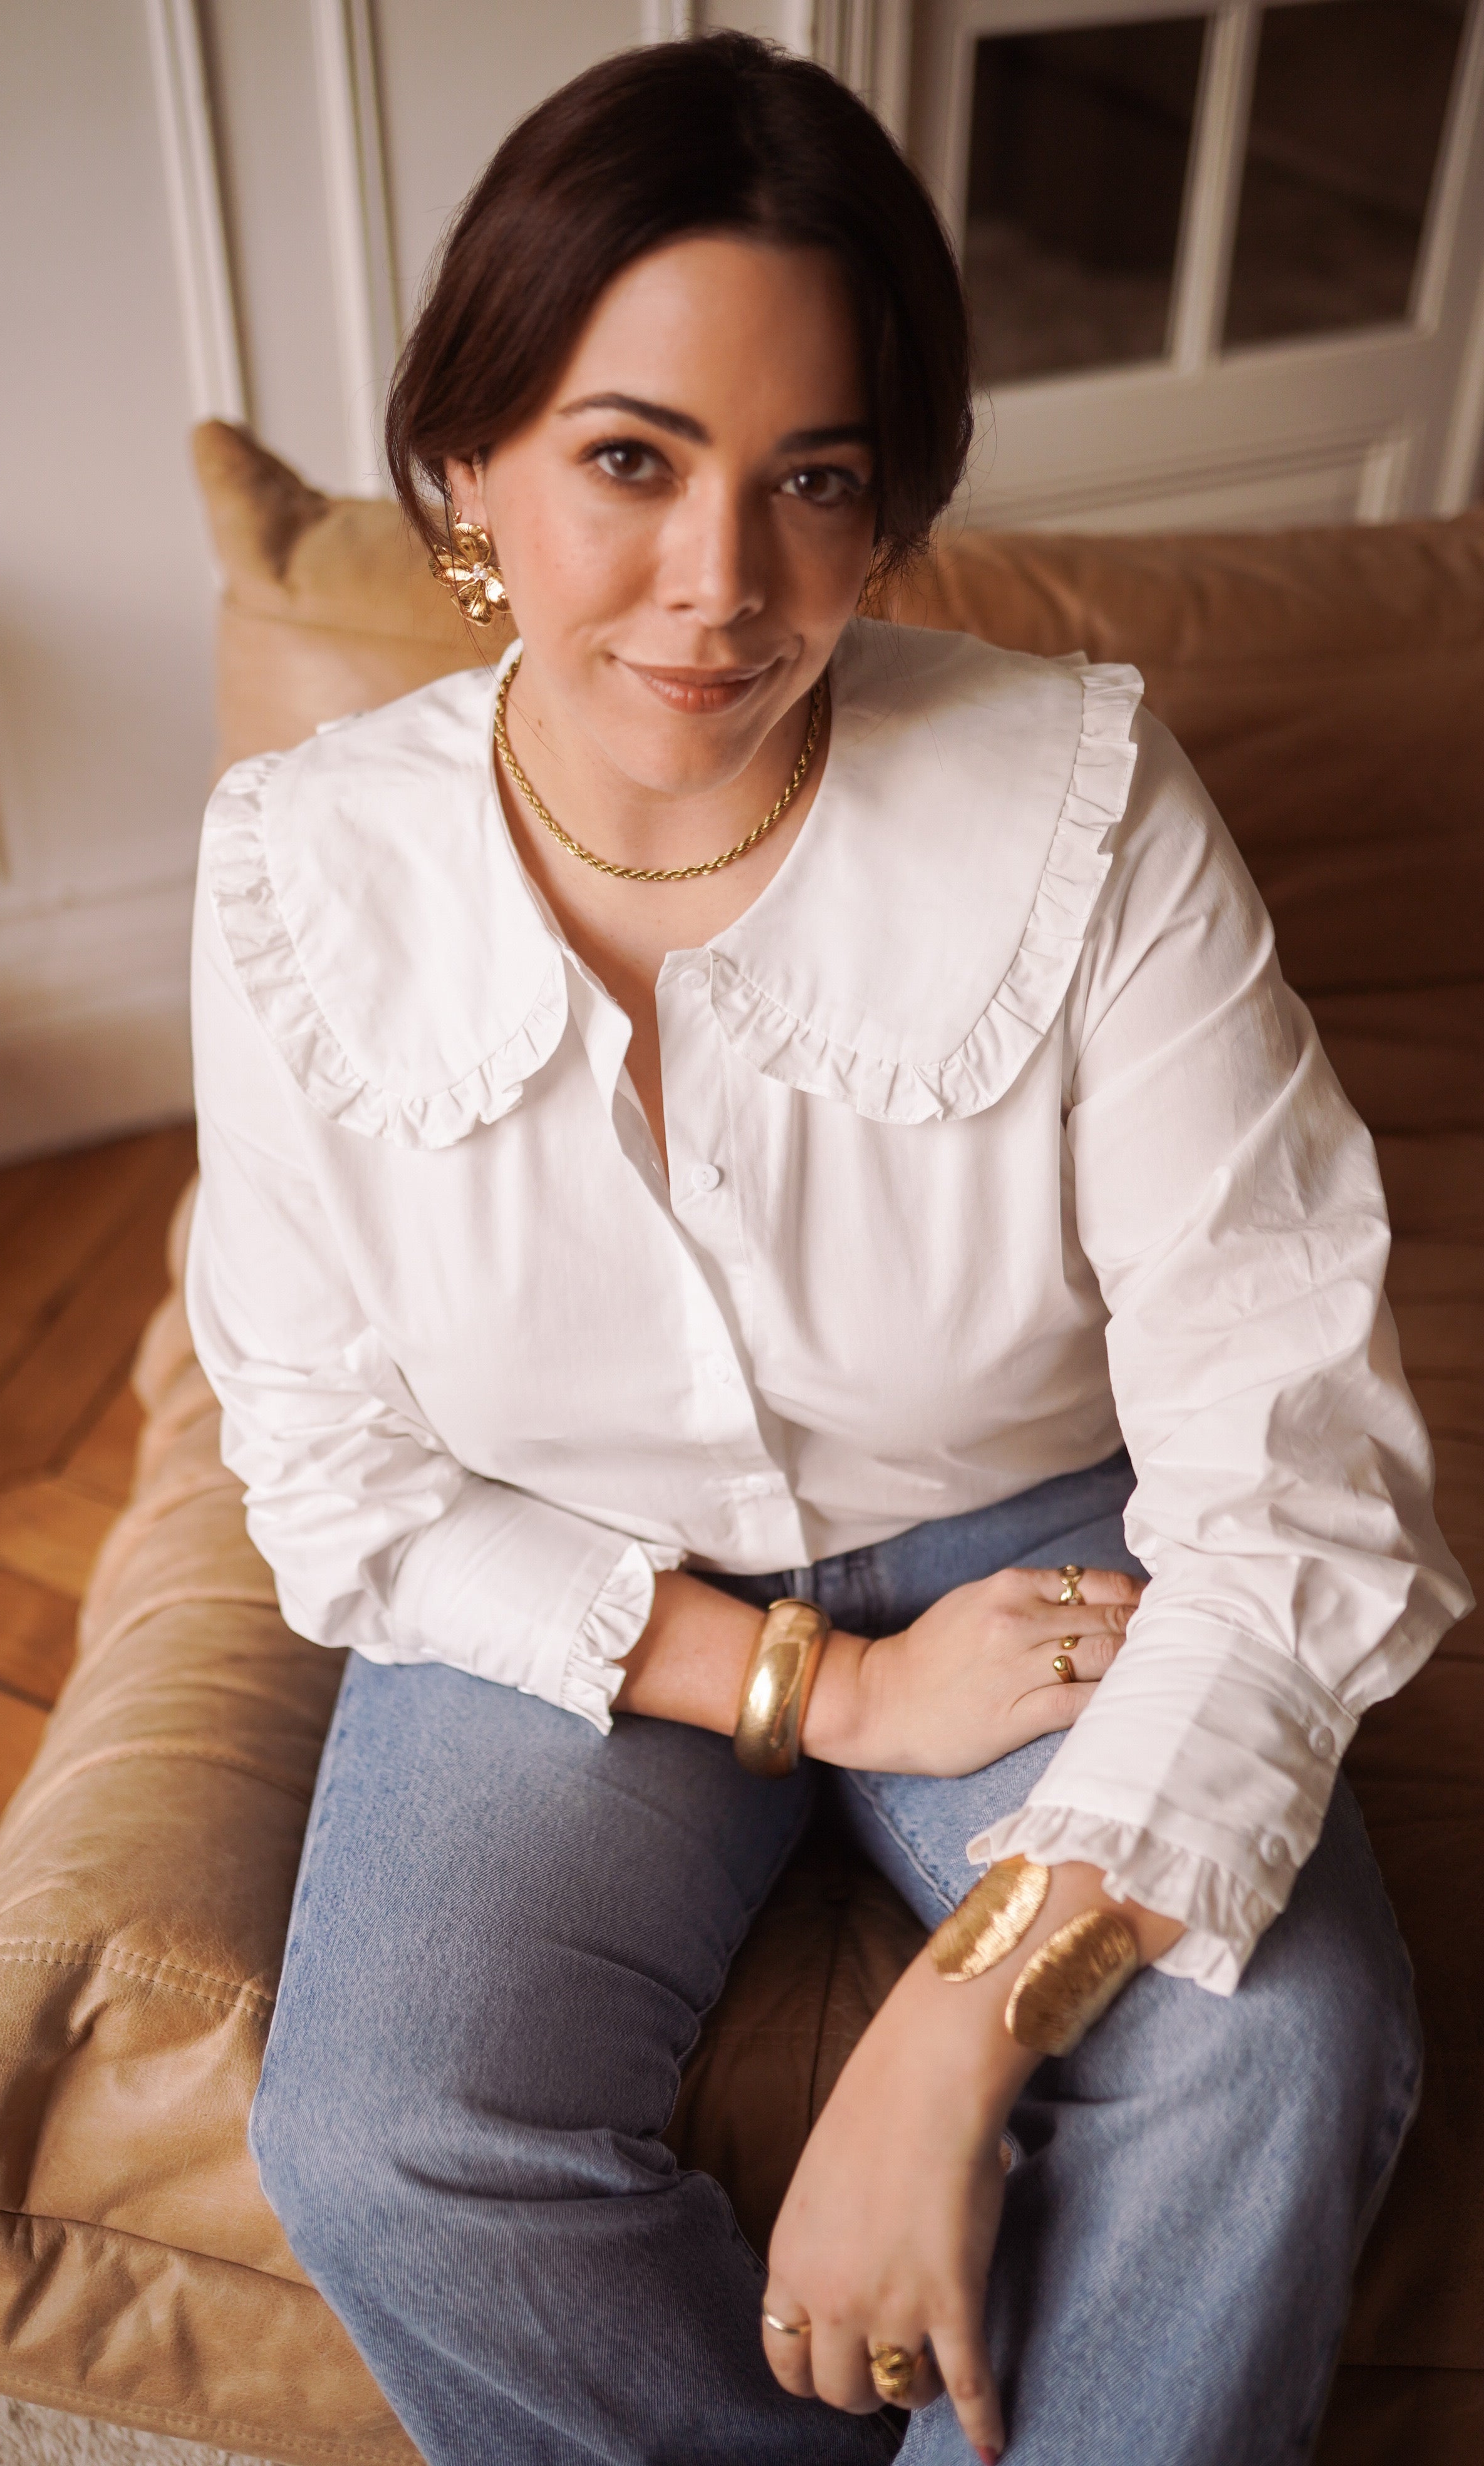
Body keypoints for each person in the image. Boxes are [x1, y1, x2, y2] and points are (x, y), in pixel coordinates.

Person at [185, 33, 1469, 2466]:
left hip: (1033, 1527)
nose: (721, 588)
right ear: (464, 464)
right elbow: (337, 1479)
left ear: (887, 513)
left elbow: (1302, 1474)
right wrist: (834, 1693)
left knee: (1278, 2049)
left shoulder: (1087, 803)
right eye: (628, 461)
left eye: (813, 482)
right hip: (569, 1557)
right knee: (379, 2142)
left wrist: (972, 2006)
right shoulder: (288, 876)